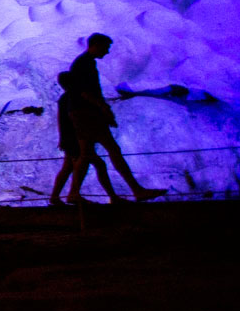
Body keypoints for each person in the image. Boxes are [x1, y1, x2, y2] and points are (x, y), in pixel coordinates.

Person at [66, 34, 165, 201]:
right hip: (87, 113)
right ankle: (136, 190)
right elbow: (85, 92)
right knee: (112, 149)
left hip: (80, 112)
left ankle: (74, 193)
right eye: (105, 47)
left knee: (86, 154)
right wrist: (103, 108)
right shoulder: (85, 63)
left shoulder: (83, 62)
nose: (107, 51)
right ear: (95, 45)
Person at [49, 68, 115, 205]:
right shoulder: (72, 98)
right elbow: (68, 119)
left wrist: (62, 138)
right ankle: (74, 194)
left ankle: (56, 197)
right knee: (95, 164)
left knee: (68, 167)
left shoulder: (64, 99)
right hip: (76, 137)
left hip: (70, 137)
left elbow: (61, 119)